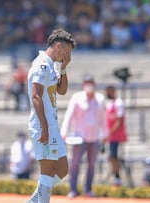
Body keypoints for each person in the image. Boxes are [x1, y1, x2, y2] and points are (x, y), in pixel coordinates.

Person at [26, 28, 76, 203]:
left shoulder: (51, 65)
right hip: (43, 124)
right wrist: (45, 128)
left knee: (62, 169)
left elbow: (61, 91)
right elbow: (36, 95)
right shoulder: (41, 64)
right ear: (59, 46)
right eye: (66, 51)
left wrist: (63, 69)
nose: (67, 54)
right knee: (48, 172)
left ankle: (33, 201)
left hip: (51, 124)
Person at [61, 75, 107, 198]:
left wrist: (105, 134)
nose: (89, 85)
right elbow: (69, 115)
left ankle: (88, 189)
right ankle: (73, 189)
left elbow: (103, 118)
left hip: (94, 137)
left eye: (91, 82)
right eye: (87, 83)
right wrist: (64, 131)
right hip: (79, 136)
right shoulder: (77, 97)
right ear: (83, 85)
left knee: (91, 164)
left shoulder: (100, 99)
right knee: (75, 163)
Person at [105, 85, 128, 186]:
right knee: (111, 156)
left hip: (117, 136)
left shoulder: (118, 103)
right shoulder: (110, 104)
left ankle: (117, 177)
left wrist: (110, 132)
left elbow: (119, 120)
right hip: (112, 136)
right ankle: (116, 176)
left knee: (113, 156)